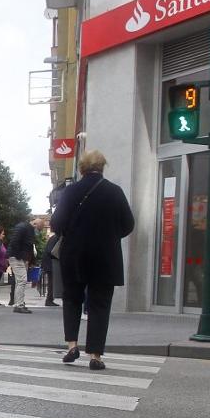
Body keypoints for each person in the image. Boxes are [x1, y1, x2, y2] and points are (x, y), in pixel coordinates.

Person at [50, 149, 135, 371]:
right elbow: (128, 224)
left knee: (72, 299)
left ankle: (72, 345)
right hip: (105, 257)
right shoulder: (115, 192)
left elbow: (56, 224)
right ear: (103, 167)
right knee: (100, 304)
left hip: (74, 255)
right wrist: (109, 236)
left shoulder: (71, 192)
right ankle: (96, 355)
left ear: (81, 169)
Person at [7, 216, 36, 314]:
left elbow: (17, 242)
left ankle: (18, 304)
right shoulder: (25, 228)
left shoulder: (23, 227)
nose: (37, 230)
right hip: (17, 257)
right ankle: (19, 305)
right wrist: (21, 256)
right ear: (34, 223)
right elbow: (16, 242)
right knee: (22, 281)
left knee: (19, 281)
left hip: (16, 256)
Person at [43, 232, 60, 307]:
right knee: (51, 282)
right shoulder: (56, 238)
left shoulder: (54, 237)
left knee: (52, 282)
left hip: (49, 262)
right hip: (50, 263)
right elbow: (51, 251)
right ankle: (49, 300)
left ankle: (50, 299)